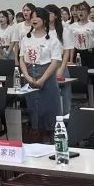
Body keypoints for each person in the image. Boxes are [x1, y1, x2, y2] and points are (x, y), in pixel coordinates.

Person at [18, 9, 64, 141]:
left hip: (47, 78)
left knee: (50, 113)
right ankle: (36, 140)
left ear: (44, 20)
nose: (34, 19)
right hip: (30, 78)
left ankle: (51, 141)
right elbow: (21, 59)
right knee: (34, 112)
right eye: (32, 17)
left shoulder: (52, 40)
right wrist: (27, 76)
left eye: (37, 17)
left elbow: (55, 62)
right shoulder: (26, 39)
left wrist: (43, 79)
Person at [66, 3, 94, 69]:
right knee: (79, 73)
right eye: (79, 10)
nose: (80, 12)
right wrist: (71, 60)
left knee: (92, 73)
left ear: (88, 12)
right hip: (77, 53)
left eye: (83, 10)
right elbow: (71, 45)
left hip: (90, 53)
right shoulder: (72, 26)